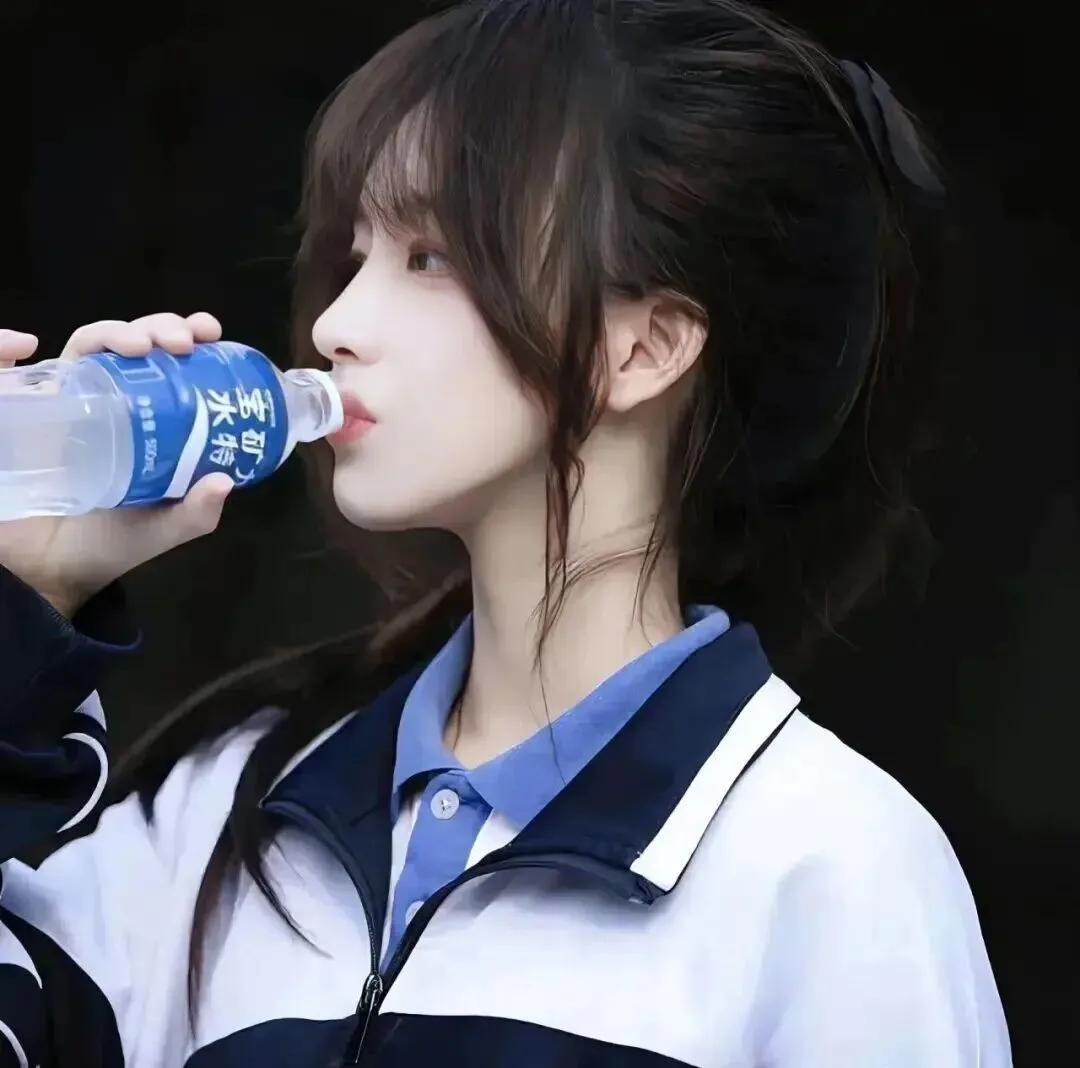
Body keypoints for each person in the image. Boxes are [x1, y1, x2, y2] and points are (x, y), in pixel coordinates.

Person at [0, 1, 1011, 1065]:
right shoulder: (227, 811)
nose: (337, 324)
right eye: (357, 253)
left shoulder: (829, 872)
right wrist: (26, 608)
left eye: (430, 257)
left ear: (644, 347)